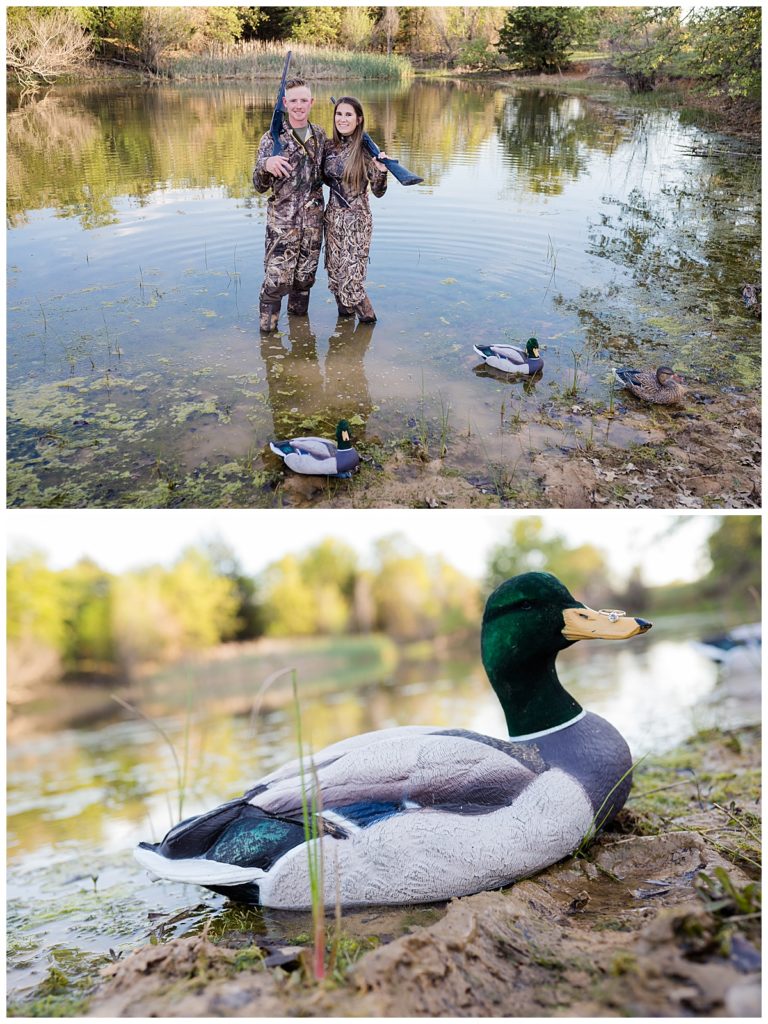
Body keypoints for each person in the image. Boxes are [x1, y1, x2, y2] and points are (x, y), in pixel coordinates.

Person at [253, 78, 327, 333]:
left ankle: (300, 343)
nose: (298, 106)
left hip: (313, 227)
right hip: (282, 227)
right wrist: (266, 165)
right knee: (275, 284)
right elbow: (259, 186)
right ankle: (268, 341)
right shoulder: (271, 138)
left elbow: (331, 172)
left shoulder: (320, 136)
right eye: (293, 100)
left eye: (303, 100)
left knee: (304, 281)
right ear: (285, 103)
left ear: (311, 102)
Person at [322, 97, 388, 323]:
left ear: (359, 119)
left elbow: (378, 191)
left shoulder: (367, 150)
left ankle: (368, 325)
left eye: (348, 115)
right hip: (332, 219)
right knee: (335, 279)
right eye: (339, 114)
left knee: (352, 283)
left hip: (356, 221)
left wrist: (381, 170)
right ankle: (345, 329)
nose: (342, 119)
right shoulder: (329, 147)